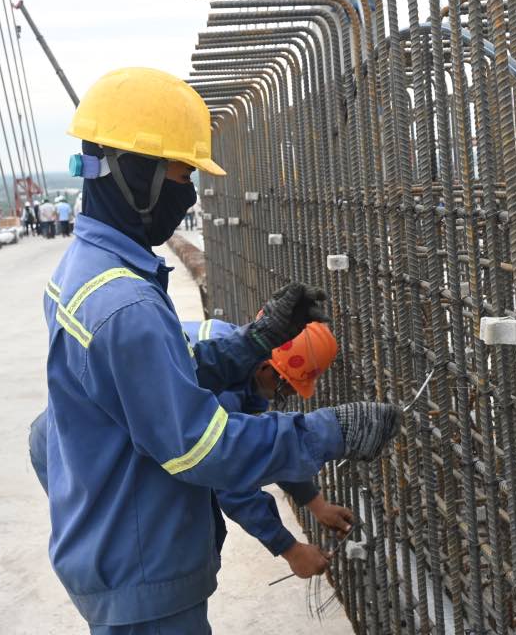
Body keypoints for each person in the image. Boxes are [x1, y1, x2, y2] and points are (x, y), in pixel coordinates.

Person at [43, 67, 400, 634]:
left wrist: (255, 340)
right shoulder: (126, 307)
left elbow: (160, 380)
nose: (188, 193)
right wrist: (327, 432)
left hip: (117, 540)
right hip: (143, 564)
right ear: (136, 170)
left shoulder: (87, 272)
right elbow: (202, 448)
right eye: (184, 173)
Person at [29, 318, 353, 578]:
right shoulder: (223, 393)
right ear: (267, 367)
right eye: (284, 386)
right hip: (74, 448)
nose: (281, 396)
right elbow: (232, 483)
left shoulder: (235, 351)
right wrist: (290, 550)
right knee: (135, 562)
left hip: (80, 428)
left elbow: (262, 445)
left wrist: (315, 504)